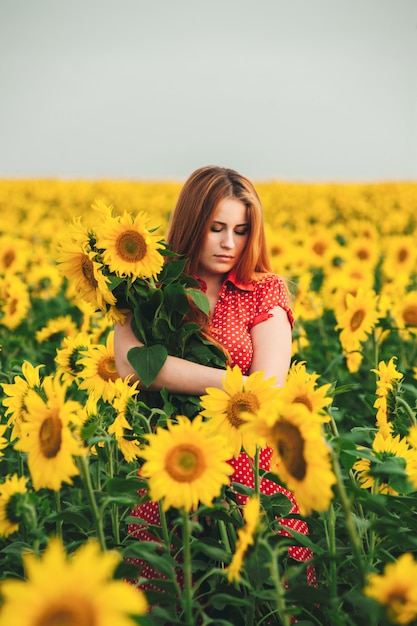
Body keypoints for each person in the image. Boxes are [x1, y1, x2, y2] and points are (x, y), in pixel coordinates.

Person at [114, 165, 315, 588]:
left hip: (250, 473)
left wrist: (175, 373)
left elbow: (268, 388)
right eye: (216, 228)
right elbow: (132, 366)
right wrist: (232, 384)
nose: (229, 243)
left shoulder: (264, 290)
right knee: (170, 596)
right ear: (191, 224)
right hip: (171, 466)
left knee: (266, 595)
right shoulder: (149, 288)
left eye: (241, 230)